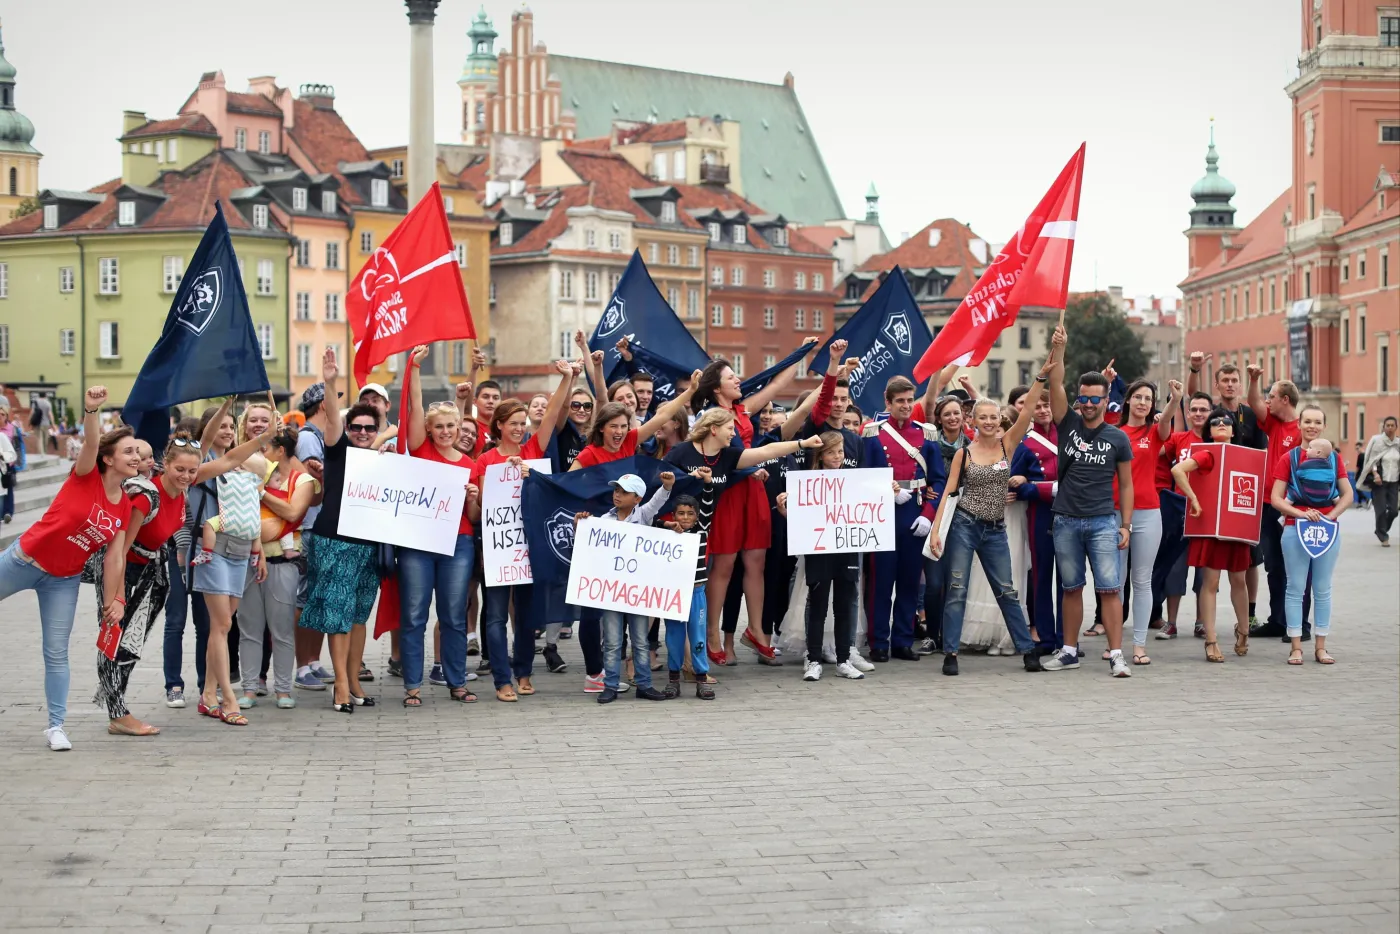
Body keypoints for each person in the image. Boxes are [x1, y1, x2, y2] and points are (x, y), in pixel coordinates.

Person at [95, 424, 281, 735]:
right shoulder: (147, 497)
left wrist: (263, 438)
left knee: (132, 644)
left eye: (192, 470)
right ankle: (118, 713)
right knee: (114, 641)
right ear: (164, 465)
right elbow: (118, 551)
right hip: (123, 570)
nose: (186, 475)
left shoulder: (185, 487)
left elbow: (230, 458)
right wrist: (115, 596)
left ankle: (122, 708)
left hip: (152, 571)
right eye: (179, 469)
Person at [0, 387, 138, 750]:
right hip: (23, 560)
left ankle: (56, 726)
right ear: (108, 459)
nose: (136, 456)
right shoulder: (85, 474)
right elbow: (91, 444)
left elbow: (114, 557)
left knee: (56, 651)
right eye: (128, 451)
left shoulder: (124, 505)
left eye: (137, 451)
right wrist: (92, 411)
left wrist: (115, 601)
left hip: (62, 580)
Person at [689, 342, 818, 664]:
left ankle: (757, 630)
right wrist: (746, 468)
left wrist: (800, 354)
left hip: (753, 490)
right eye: (731, 377)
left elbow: (777, 383)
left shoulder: (743, 410)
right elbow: (715, 457)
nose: (738, 381)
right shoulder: (709, 417)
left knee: (756, 561)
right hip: (729, 490)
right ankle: (712, 634)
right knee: (724, 565)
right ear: (716, 386)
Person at [666, 406, 825, 665]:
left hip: (706, 529)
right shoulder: (681, 452)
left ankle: (694, 658)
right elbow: (661, 483)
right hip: (680, 533)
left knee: (698, 590)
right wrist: (685, 479)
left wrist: (802, 443)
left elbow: (765, 451)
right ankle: (669, 654)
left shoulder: (728, 456)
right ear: (714, 429)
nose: (734, 434)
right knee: (683, 593)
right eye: (730, 429)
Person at [928, 351, 1054, 676]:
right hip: (964, 526)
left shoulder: (1006, 445)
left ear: (1000, 420)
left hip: (995, 529)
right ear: (973, 421)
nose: (988, 422)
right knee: (957, 589)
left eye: (993, 417)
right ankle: (951, 653)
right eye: (981, 417)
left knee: (1007, 591)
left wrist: (1040, 379)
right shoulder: (963, 454)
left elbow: (1026, 414)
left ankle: (1027, 651)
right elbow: (949, 492)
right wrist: (935, 531)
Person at [468, 359, 575, 701]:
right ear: (498, 426)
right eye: (513, 424)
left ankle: (524, 672)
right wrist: (494, 483)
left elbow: (555, 411)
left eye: (523, 423)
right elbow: (486, 506)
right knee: (497, 615)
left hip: (530, 547)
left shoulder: (533, 450)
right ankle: (502, 679)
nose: (520, 429)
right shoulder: (486, 461)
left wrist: (566, 378)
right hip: (499, 548)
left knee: (527, 614)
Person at [1041, 323, 1135, 677]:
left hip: (1102, 521)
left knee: (1110, 590)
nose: (1090, 404)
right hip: (1065, 519)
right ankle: (1068, 651)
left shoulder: (1117, 438)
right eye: (1085, 398)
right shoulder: (1068, 423)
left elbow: (1126, 486)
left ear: (1106, 398)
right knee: (1071, 588)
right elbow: (1054, 384)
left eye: (1097, 398)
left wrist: (1125, 525)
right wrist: (1060, 349)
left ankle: (1115, 655)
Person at [300, 349, 383, 714]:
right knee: (337, 613)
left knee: (358, 616)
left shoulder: (384, 459)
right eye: (357, 427)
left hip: (369, 545)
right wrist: (332, 383)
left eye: (370, 428)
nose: (363, 432)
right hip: (334, 540)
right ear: (349, 430)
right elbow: (332, 422)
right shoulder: (338, 450)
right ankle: (340, 686)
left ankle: (354, 680)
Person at [397, 345, 480, 708]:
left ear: (460, 427)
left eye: (452, 426)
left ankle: (456, 681)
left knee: (454, 616)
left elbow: (474, 518)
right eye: (440, 426)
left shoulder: (469, 463)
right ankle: (412, 685)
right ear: (429, 429)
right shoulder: (420, 449)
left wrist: (474, 497)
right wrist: (414, 367)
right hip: (418, 542)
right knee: (414, 614)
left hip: (458, 542)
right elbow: (415, 405)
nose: (446, 431)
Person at [862, 376, 947, 663]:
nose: (906, 406)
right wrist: (886, 492)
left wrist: (928, 515)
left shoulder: (927, 434)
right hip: (883, 514)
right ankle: (878, 642)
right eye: (900, 401)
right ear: (888, 402)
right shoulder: (873, 434)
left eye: (910, 400)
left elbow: (938, 480)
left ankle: (901, 640)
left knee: (911, 583)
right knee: (881, 583)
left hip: (915, 514)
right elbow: (863, 477)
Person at [582, 472, 677, 704]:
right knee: (613, 642)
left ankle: (644, 684)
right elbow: (589, 542)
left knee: (641, 641)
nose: (617, 494)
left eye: (624, 492)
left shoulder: (643, 515)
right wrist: (580, 526)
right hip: (613, 593)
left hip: (636, 592)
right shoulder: (604, 519)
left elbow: (657, 502)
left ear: (637, 498)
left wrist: (667, 486)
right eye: (616, 490)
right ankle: (611, 685)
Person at [237, 430, 316, 710]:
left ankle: (283, 689)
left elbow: (294, 514)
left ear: (280, 451)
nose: (261, 453)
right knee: (249, 628)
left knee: (281, 629)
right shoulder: (252, 473)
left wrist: (260, 494)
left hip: (283, 564)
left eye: (266, 448)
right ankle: (249, 688)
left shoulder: (302, 480)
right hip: (249, 560)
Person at [1188, 353, 1267, 628]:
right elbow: (1191, 397)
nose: (1231, 385)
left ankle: (1251, 613)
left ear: (1241, 385)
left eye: (1235, 380)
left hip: (1245, 495)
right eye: (1226, 380)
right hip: (1214, 498)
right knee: (1211, 568)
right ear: (1217, 385)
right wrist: (1194, 369)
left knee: (1251, 561)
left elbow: (1261, 453)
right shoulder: (1212, 414)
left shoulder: (1251, 415)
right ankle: (1203, 621)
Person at [1171, 406, 1254, 664]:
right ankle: (1211, 639)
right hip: (1212, 530)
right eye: (1215, 421)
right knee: (1211, 583)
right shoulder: (1208, 453)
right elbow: (1177, 470)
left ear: (1233, 429)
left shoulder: (1245, 456)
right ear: (1208, 430)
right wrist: (1194, 498)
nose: (1220, 423)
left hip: (1236, 528)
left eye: (1226, 421)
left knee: (1240, 582)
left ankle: (1244, 631)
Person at [1270, 405, 1352, 665]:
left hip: (1327, 530)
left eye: (1317, 422)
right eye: (1307, 421)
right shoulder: (1289, 458)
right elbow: (1275, 498)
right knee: (1294, 587)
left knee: (1322, 588)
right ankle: (1296, 647)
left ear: (1324, 426)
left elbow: (1347, 494)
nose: (1312, 426)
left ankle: (1320, 647)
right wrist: (1301, 513)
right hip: (1295, 528)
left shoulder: (1334, 458)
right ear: (1299, 424)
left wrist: (1330, 516)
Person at [1111, 377, 1182, 664]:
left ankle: (1139, 645)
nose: (1143, 403)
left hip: (1149, 513)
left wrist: (1175, 400)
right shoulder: (1114, 432)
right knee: (1115, 583)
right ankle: (1114, 644)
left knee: (1142, 581)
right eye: (1138, 397)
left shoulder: (1155, 432)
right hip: (1114, 513)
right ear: (1128, 400)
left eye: (1148, 399)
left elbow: (1165, 421)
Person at [796, 432, 872, 683]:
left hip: (847, 547)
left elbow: (871, 501)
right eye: (831, 452)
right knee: (818, 604)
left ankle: (843, 660)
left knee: (844, 603)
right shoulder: (808, 482)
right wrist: (788, 507)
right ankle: (814, 659)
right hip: (819, 549)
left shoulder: (854, 480)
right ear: (821, 455)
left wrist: (887, 489)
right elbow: (799, 515)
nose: (837, 456)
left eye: (840, 451)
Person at [1244, 371, 1302, 639]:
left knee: (1295, 567)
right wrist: (1254, 379)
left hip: (1291, 508)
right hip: (1269, 506)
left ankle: (1298, 625)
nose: (1267, 402)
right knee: (1273, 566)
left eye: (1272, 397)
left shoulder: (1303, 428)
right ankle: (1278, 620)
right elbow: (1253, 402)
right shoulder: (1274, 424)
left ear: (1285, 400)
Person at [1153, 392, 1213, 639]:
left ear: (1211, 413)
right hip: (1180, 511)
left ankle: (1201, 621)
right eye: (1195, 409)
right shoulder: (1178, 439)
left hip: (1208, 514)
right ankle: (1172, 622)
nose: (1198, 414)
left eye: (1204, 410)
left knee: (1204, 572)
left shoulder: (1217, 442)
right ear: (1188, 414)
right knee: (1175, 570)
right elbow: (1153, 453)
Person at [292, 381, 336, 690]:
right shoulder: (308, 439)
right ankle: (302, 664)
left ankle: (313, 660)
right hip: (308, 525)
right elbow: (314, 485)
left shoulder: (317, 436)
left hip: (317, 525)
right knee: (305, 597)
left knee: (315, 597)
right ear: (322, 404)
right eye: (332, 399)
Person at [660, 495, 714, 699]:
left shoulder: (701, 531)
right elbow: (651, 520)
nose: (685, 518)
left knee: (698, 636)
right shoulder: (667, 532)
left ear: (697, 516)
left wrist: (708, 484)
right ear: (673, 516)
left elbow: (708, 506)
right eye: (680, 514)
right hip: (674, 592)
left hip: (696, 592)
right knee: (674, 637)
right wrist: (667, 524)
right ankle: (673, 680)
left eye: (690, 514)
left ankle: (701, 678)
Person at [1358, 416, 1399, 546]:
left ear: (1396, 427)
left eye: (1393, 425)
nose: (1390, 428)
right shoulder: (1377, 441)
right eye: (1388, 425)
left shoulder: (1398, 444)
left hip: (1394, 481)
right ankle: (1383, 536)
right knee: (1380, 510)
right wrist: (1375, 474)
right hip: (1379, 482)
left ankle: (1381, 530)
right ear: (1384, 427)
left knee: (1394, 511)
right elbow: (1371, 459)